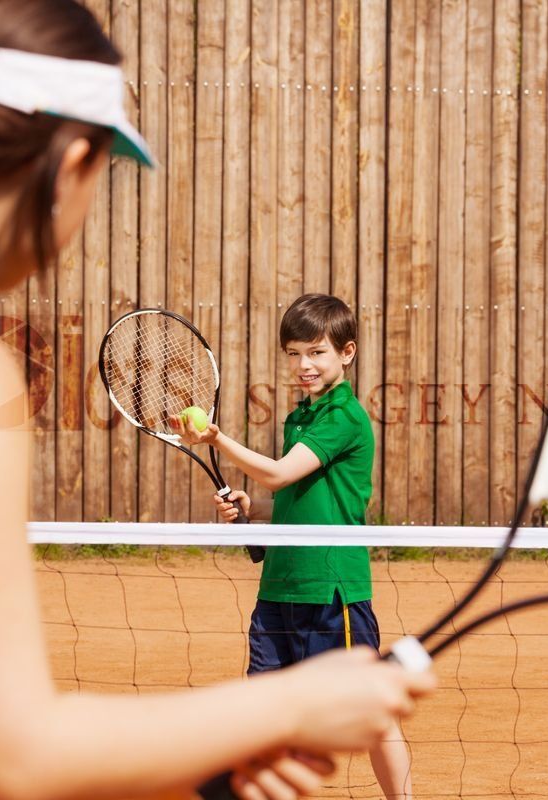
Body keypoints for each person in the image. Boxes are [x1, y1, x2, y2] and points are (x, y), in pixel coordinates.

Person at [0, 3, 433, 799]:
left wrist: (197, 758)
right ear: (68, 165)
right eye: (104, 172)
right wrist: (288, 706)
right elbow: (10, 756)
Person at [175, 294, 416, 799]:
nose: (303, 365)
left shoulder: (344, 417)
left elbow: (283, 474)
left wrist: (217, 440)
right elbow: (293, 497)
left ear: (346, 353)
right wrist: (252, 508)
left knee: (371, 714)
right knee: (264, 712)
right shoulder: (299, 418)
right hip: (278, 591)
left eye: (316, 353)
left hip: (331, 592)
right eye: (293, 354)